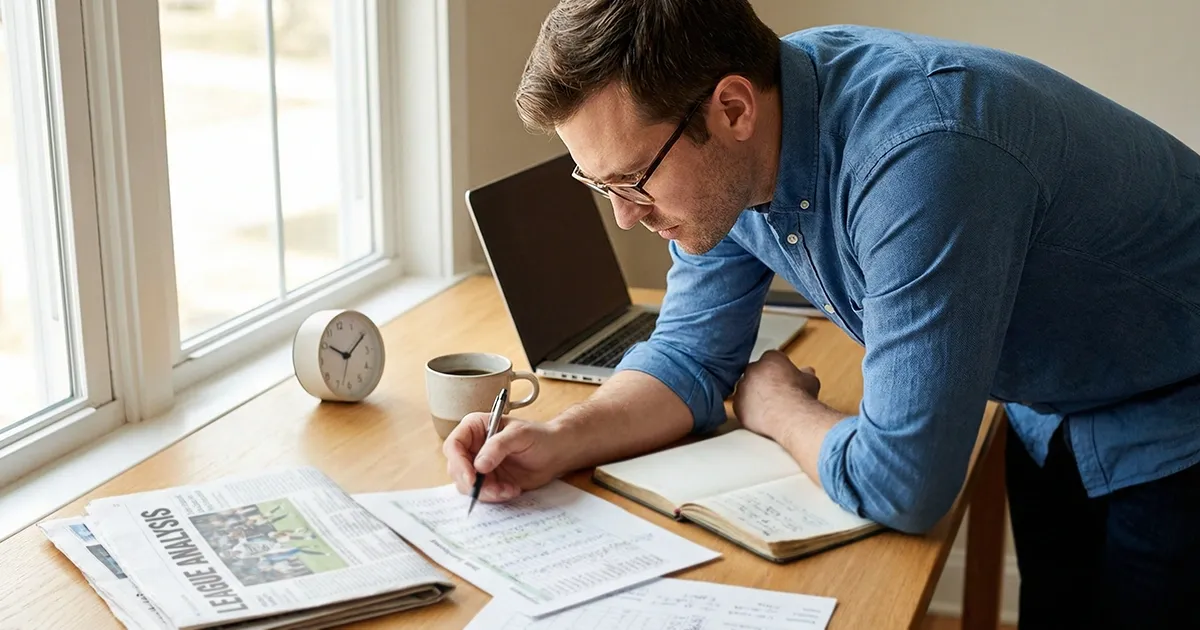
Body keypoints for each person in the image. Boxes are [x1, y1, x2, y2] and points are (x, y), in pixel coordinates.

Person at [443, 1, 1200, 627]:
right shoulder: (739, 152)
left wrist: (777, 408)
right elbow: (690, 358)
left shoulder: (923, 160)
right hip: (1057, 407)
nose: (626, 219)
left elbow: (905, 484)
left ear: (731, 107)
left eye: (634, 179)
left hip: (1178, 414)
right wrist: (554, 440)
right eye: (601, 185)